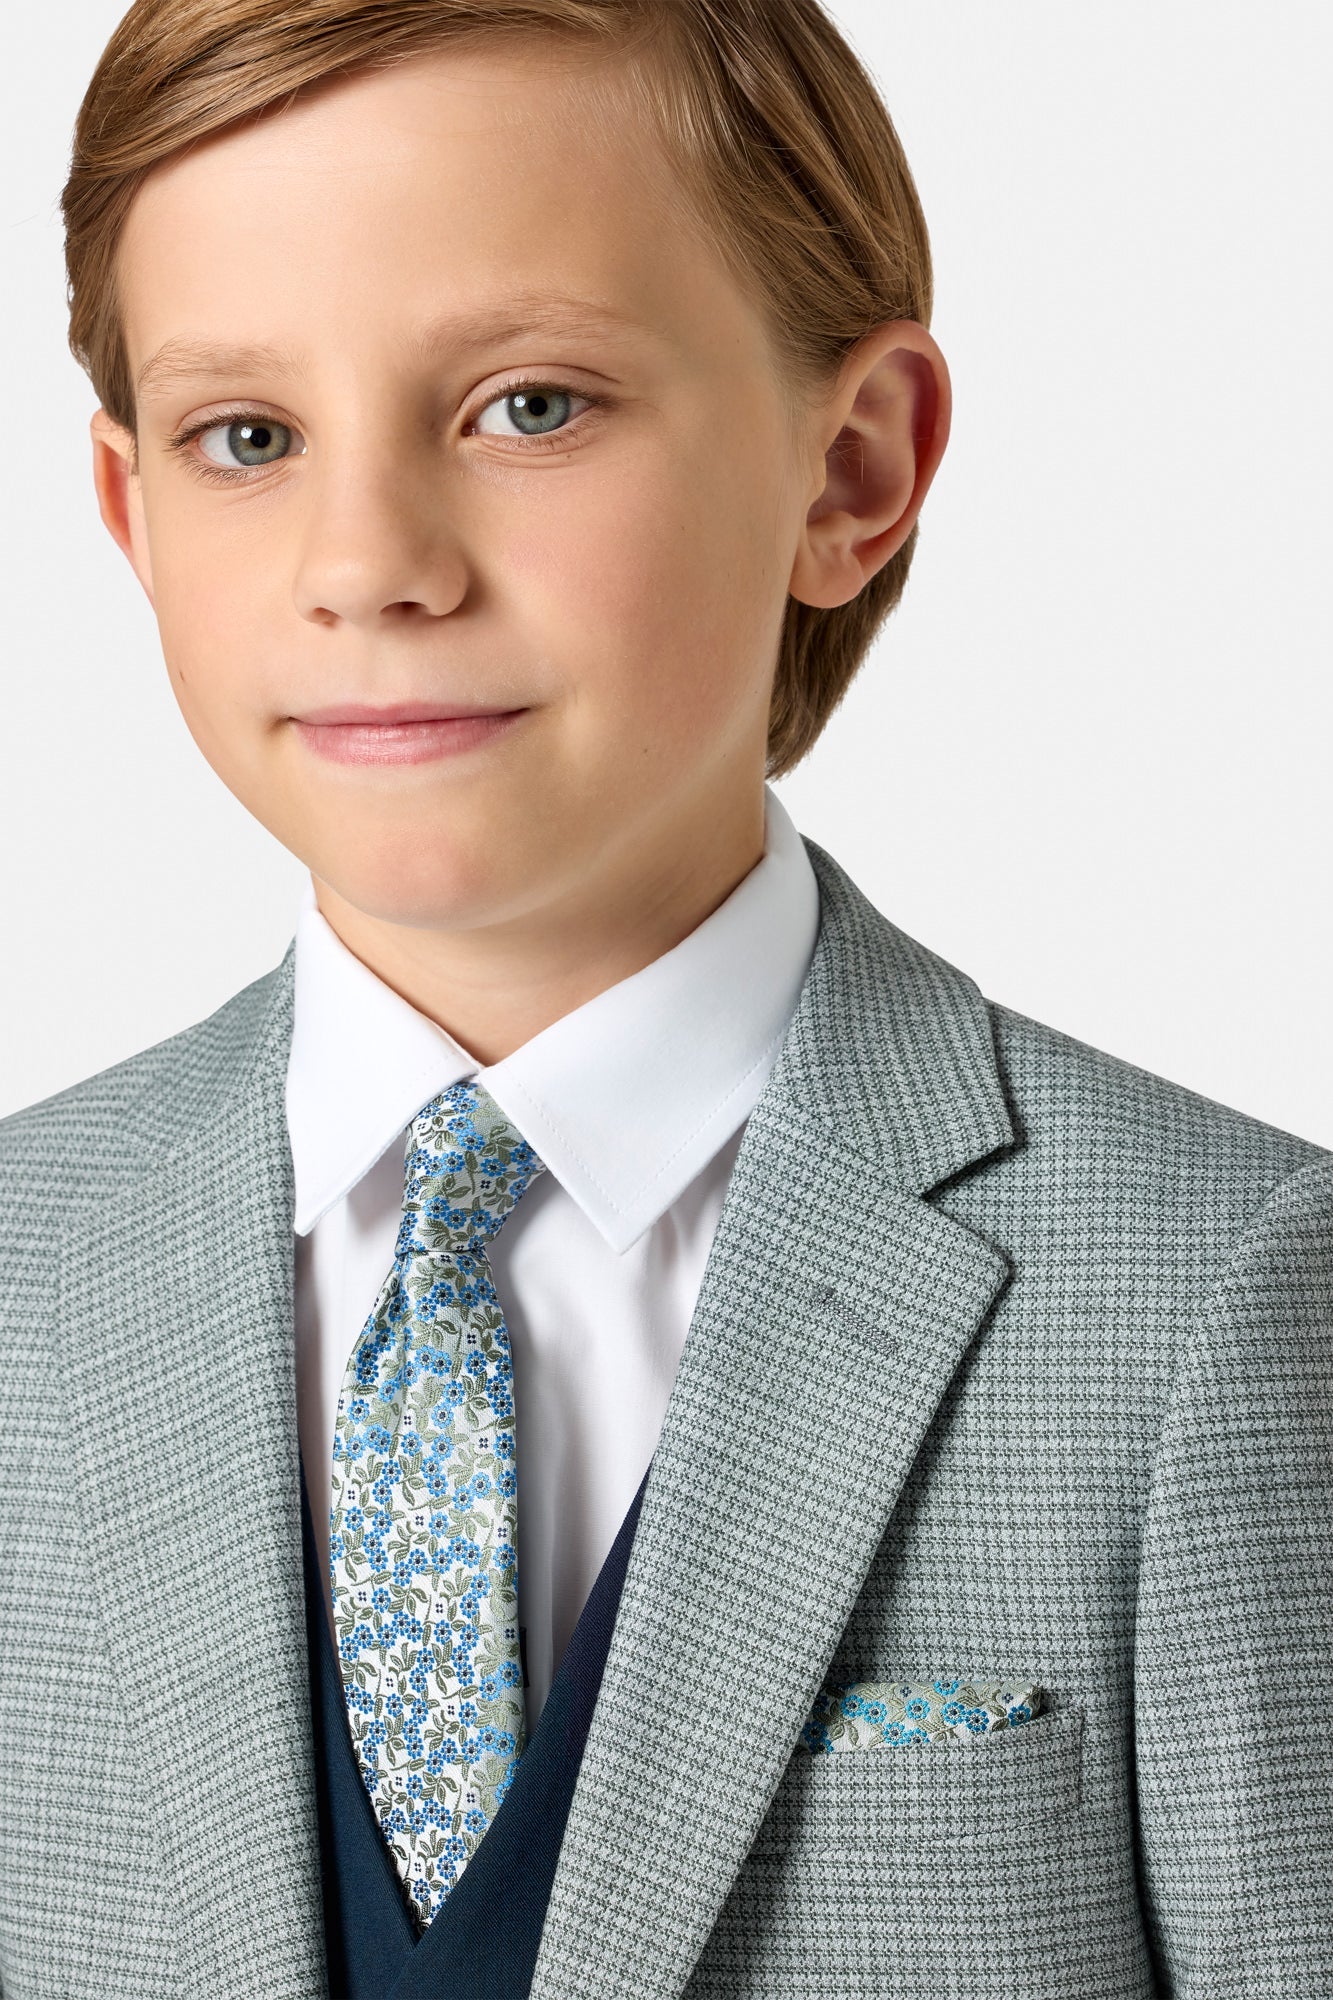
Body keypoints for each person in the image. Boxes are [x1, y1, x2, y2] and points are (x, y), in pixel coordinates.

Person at [1, 0, 1329, 1994]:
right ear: (130, 513)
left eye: (529, 404)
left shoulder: (1214, 1296)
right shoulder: (23, 1279)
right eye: (247, 438)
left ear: (851, 467)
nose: (367, 564)